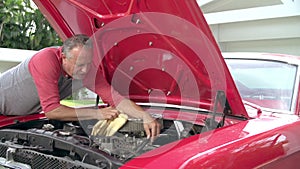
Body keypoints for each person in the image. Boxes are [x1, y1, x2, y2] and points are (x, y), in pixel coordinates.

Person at [0, 34, 160, 139]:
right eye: (79, 64)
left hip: (17, 116)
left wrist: (145, 116)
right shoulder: (46, 60)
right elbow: (52, 111)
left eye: (88, 64)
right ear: (63, 57)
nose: (85, 70)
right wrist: (96, 114)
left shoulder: (87, 70)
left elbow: (116, 99)